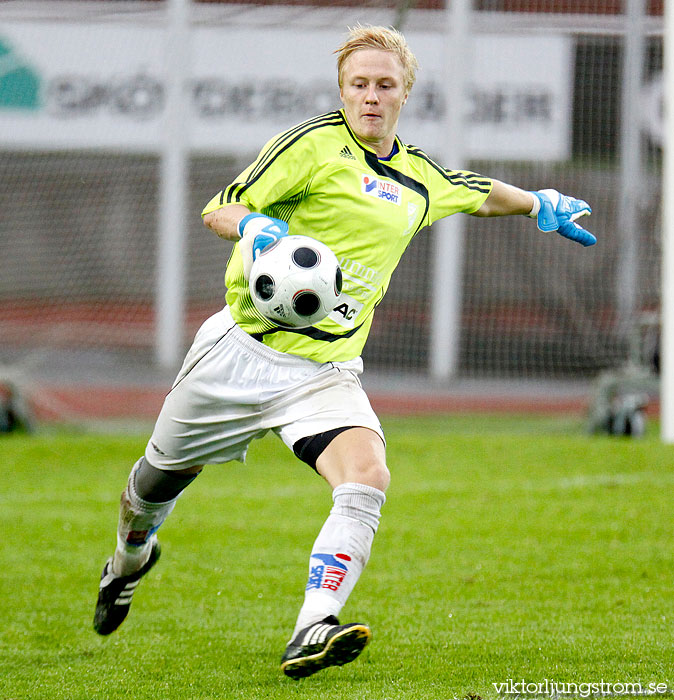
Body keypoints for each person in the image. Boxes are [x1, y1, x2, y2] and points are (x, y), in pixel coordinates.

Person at [93, 24, 595, 679]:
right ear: (342, 89)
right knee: (152, 486)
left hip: (323, 371)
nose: (370, 96)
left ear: (405, 94)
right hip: (240, 352)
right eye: (358, 84)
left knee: (367, 476)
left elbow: (475, 192)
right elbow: (221, 206)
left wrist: (539, 205)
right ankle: (130, 560)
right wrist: (255, 226)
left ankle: (312, 626)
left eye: (385, 85)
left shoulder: (417, 178)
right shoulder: (313, 145)